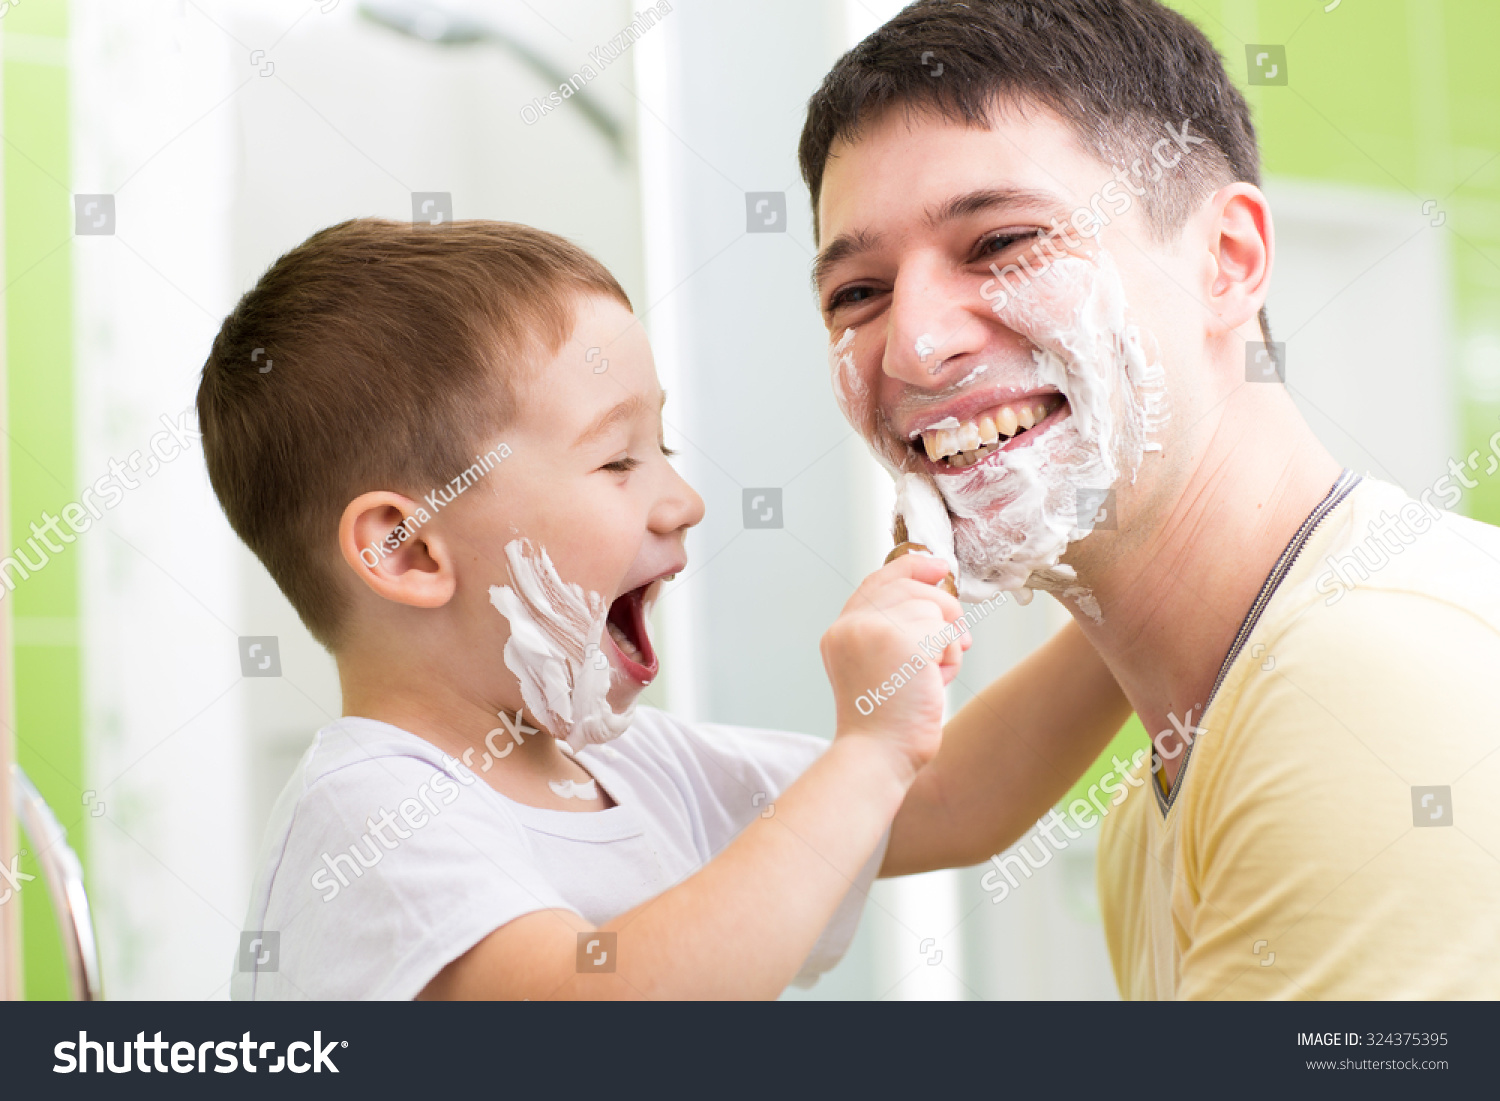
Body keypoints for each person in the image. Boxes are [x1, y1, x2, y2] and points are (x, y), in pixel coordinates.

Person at [205, 218, 1127, 999]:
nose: (683, 500)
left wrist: (1133, 602)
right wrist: (867, 750)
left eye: (665, 444)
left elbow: (942, 797)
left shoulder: (626, 764)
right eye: (617, 459)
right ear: (408, 549)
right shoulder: (370, 813)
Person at [801, 0, 1500, 998]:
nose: (914, 343)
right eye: (856, 294)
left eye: (1000, 241)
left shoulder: (1368, 688)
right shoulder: (1160, 798)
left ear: (1229, 262)